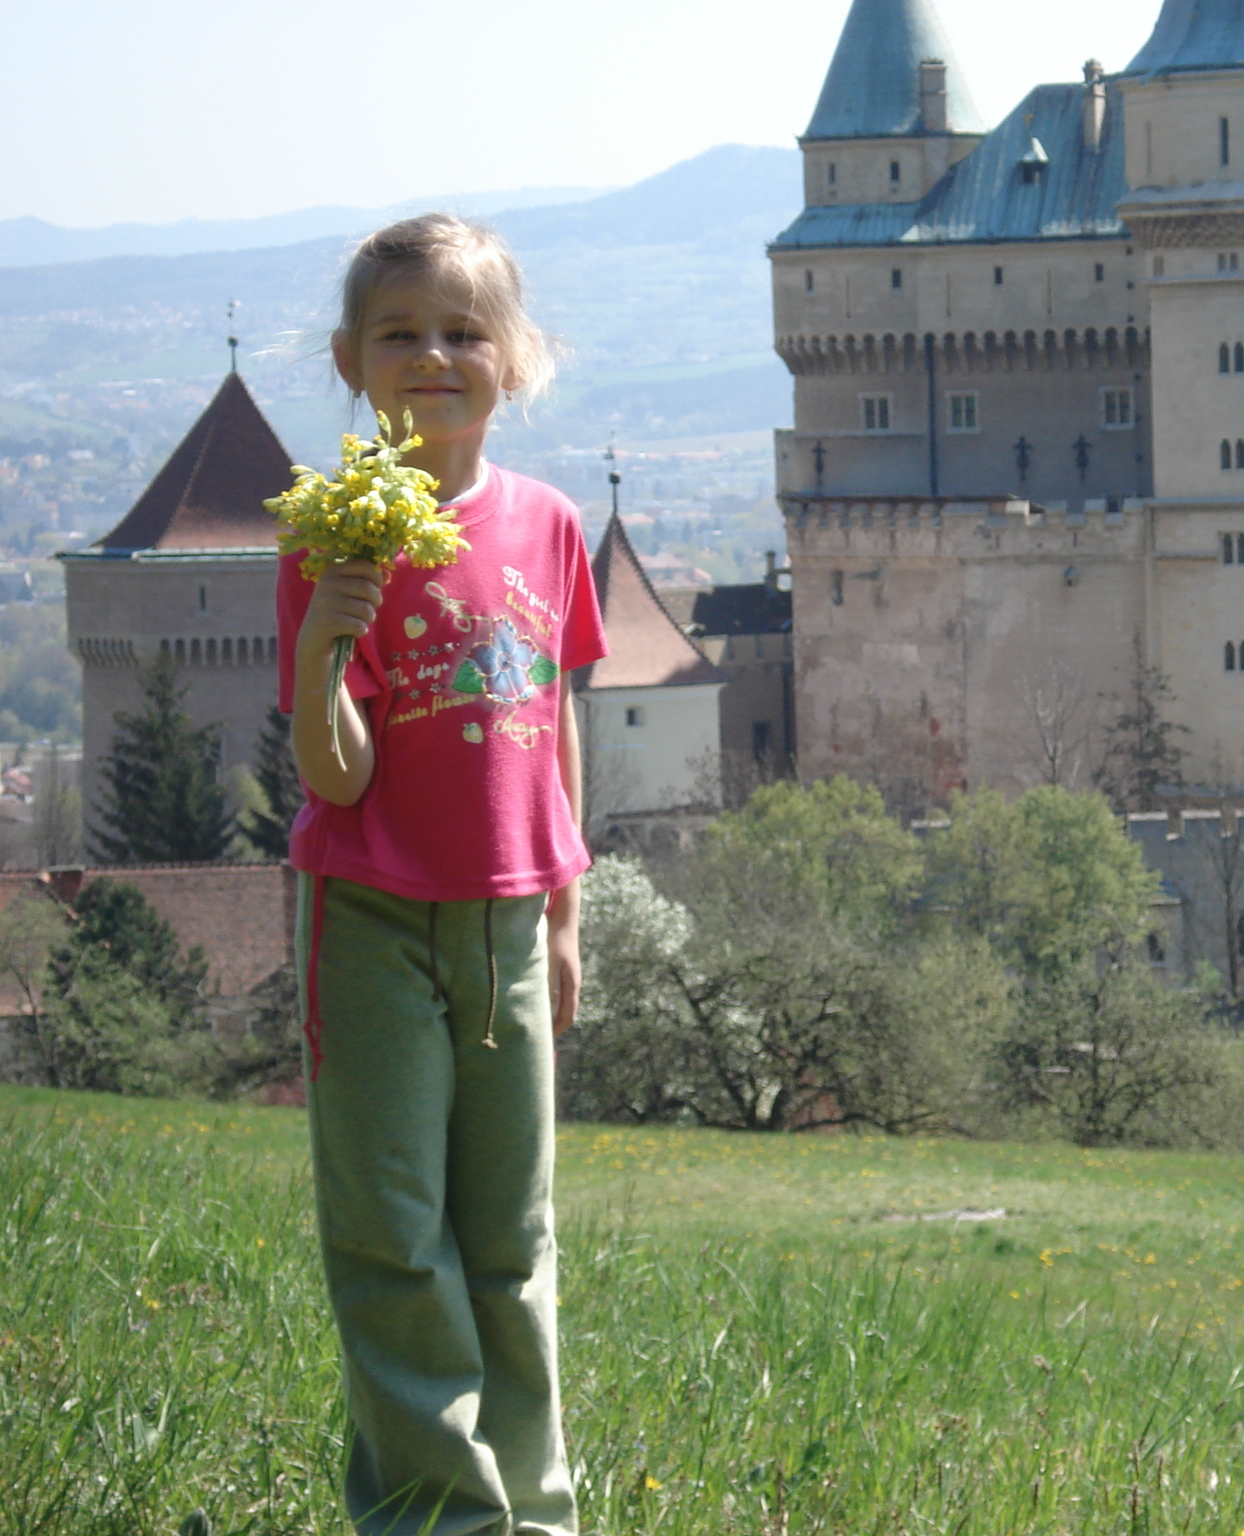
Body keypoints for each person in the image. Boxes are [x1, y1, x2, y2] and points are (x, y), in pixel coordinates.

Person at [279, 213, 605, 1536]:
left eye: (463, 330)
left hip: (513, 921)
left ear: (514, 359)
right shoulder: (331, 531)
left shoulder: (548, 524)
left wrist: (569, 914)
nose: (433, 355)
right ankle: (435, 1516)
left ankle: (534, 1511)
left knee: (513, 1241)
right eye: (401, 333)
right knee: (393, 1236)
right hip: (374, 916)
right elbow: (337, 778)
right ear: (353, 361)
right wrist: (322, 650)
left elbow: (558, 722)